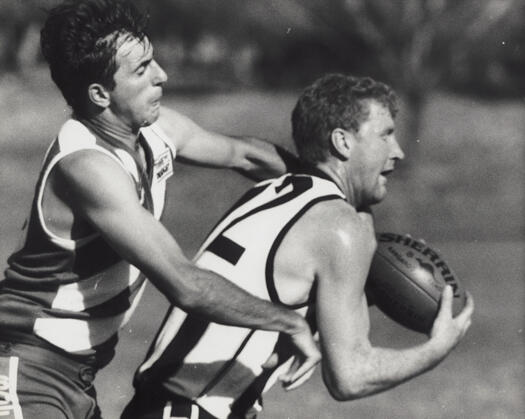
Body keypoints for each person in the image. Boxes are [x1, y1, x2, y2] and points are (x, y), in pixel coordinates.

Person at [0, 1, 320, 418]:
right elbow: (185, 284)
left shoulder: (155, 131)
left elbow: (245, 155)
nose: (162, 75)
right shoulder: (88, 167)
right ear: (100, 94)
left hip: (74, 378)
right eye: (142, 69)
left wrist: (325, 185)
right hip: (26, 367)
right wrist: (289, 321)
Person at [122, 73, 475, 419]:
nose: (397, 151)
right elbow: (350, 377)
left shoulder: (273, 190)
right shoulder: (340, 225)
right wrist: (435, 349)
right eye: (385, 135)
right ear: (343, 142)